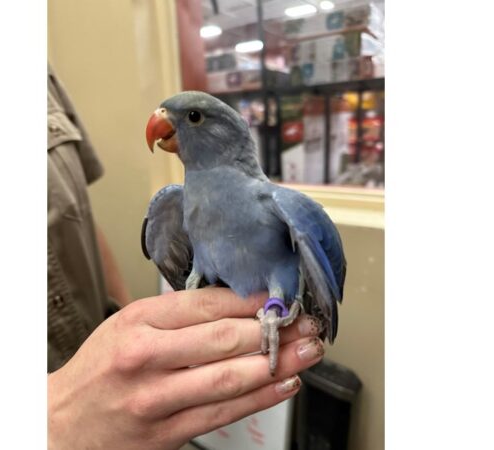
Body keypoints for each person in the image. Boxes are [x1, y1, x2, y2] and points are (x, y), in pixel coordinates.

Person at [47, 68, 325, 450]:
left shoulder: (276, 202)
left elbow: (315, 278)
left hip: (271, 311)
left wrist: (281, 304)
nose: (163, 123)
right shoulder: (174, 204)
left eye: (192, 117)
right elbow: (182, 267)